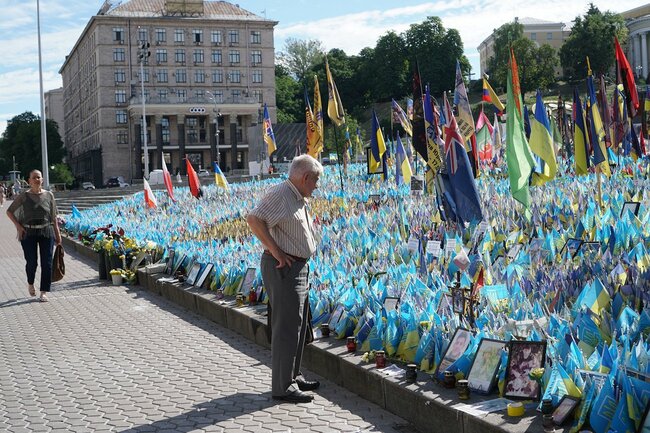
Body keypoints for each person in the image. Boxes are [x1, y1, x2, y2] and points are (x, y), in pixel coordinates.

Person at [246, 154, 323, 403]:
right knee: (286, 328)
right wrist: (276, 250)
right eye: (316, 180)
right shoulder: (281, 194)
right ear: (305, 177)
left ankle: (293, 375)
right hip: (284, 267)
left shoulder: (297, 196)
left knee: (298, 327)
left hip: (297, 267)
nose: (317, 185)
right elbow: (254, 219)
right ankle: (283, 386)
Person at [6, 170, 62, 302]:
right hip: (28, 233)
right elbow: (9, 212)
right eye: (34, 178)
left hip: (47, 232)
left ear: (42, 180)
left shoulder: (49, 195)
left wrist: (58, 235)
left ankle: (44, 291)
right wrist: (18, 227)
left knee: (47, 263)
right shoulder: (23, 196)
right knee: (32, 262)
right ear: (29, 181)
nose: (37, 180)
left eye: (39, 177)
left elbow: (54, 216)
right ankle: (30, 283)